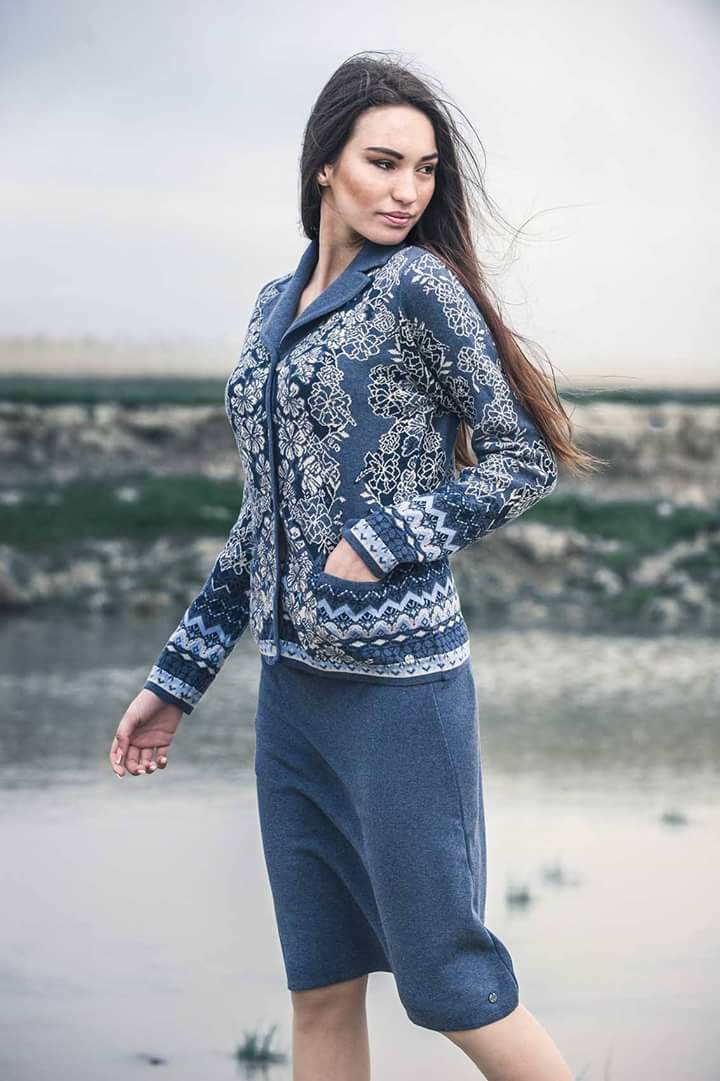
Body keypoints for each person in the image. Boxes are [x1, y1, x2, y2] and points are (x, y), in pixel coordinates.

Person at [109, 50, 599, 1081]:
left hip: (400, 700)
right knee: (320, 988)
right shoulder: (270, 307)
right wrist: (176, 679)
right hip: (292, 702)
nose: (407, 191)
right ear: (324, 163)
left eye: (425, 170)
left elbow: (522, 459)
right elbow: (264, 519)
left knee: (452, 985)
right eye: (384, 163)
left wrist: (384, 538)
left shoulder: (419, 287)